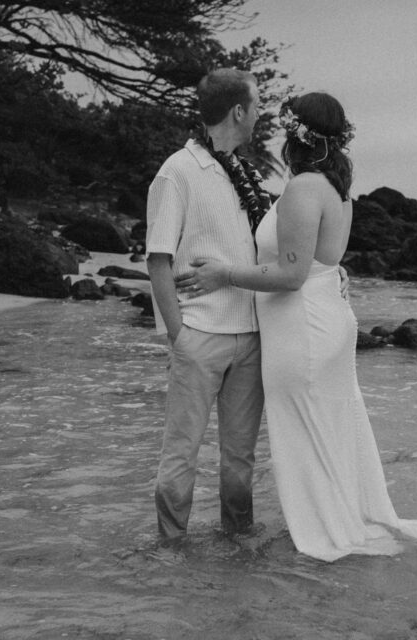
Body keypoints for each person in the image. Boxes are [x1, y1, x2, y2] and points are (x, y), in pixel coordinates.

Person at [177, 92, 417, 561]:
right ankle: (335, 517)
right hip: (320, 321)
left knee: (308, 432)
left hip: (302, 327)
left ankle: (328, 528)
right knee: (325, 428)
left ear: (296, 134)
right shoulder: (336, 187)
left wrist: (221, 273)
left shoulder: (305, 187)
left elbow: (291, 274)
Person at [145, 68, 273, 543]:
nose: (260, 113)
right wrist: (178, 336)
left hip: (251, 336)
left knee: (240, 458)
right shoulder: (178, 170)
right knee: (182, 452)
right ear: (238, 110)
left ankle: (237, 548)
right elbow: (157, 258)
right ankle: (171, 550)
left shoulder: (246, 173)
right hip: (200, 337)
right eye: (257, 104)